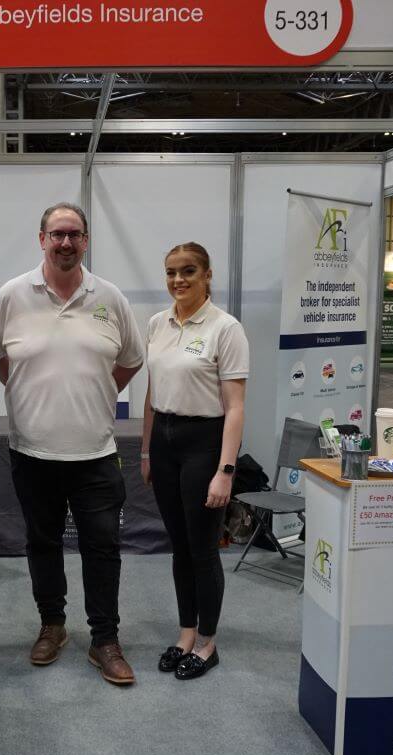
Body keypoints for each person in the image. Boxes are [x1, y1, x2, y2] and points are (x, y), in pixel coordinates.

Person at [0, 201, 145, 686]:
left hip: (96, 452)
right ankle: (52, 626)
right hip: (32, 453)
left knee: (103, 549)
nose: (65, 243)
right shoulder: (11, 296)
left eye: (74, 234)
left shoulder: (110, 297)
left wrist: (94, 392)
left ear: (86, 240)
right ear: (41, 239)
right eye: (56, 234)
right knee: (43, 544)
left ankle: (105, 640)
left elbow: (131, 361)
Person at [141, 243, 248, 681]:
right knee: (179, 547)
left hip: (204, 442)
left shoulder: (226, 328)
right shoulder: (156, 323)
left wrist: (225, 470)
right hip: (164, 441)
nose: (178, 280)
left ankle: (207, 643)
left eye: (188, 271)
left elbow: (236, 407)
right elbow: (151, 393)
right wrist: (147, 449)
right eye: (171, 272)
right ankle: (186, 632)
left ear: (207, 275)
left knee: (203, 549)